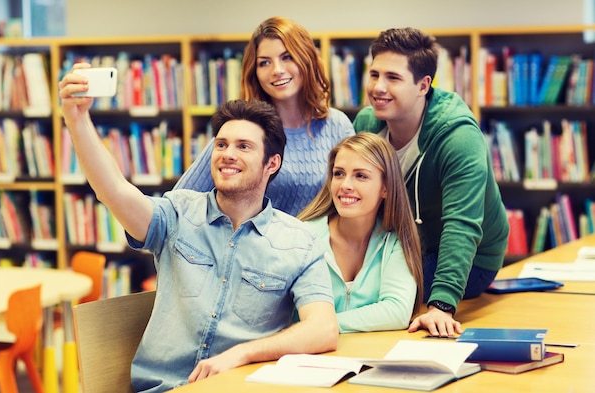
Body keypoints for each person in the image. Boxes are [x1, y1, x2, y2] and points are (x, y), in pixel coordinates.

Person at [59, 67, 339, 392]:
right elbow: (114, 192)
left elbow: (323, 329)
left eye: (243, 147)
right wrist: (76, 119)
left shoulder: (299, 242)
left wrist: (242, 354)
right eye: (221, 145)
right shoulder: (177, 213)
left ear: (271, 164)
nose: (227, 155)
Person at [353, 27, 509, 337]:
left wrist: (441, 306)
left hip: (471, 259)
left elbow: (461, 224)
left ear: (423, 85)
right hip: (402, 246)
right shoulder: (366, 124)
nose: (378, 87)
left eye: (393, 78)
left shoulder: (457, 136)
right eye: (374, 74)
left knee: (365, 289)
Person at [174, 16, 354, 216]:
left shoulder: (338, 126)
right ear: (255, 72)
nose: (277, 70)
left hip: (323, 246)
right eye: (264, 63)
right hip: (253, 245)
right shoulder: (243, 130)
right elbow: (177, 206)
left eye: (287, 57)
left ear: (307, 59)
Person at [297, 133, 423, 333]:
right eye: (338, 174)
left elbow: (397, 311)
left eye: (360, 176)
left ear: (386, 188)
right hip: (304, 356)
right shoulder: (302, 237)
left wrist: (322, 327)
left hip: (365, 355)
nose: (345, 185)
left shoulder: (395, 241)